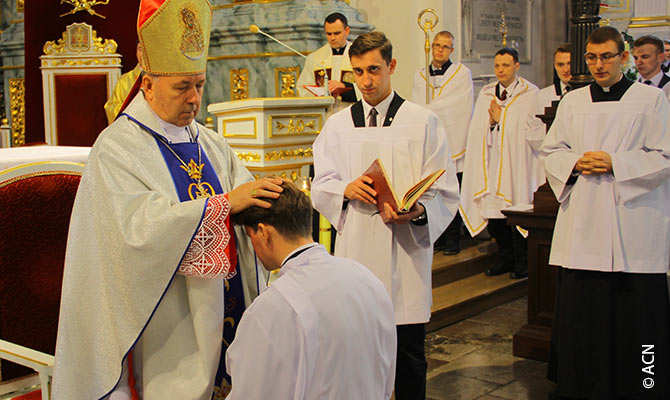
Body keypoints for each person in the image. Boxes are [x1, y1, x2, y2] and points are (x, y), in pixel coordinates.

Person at [52, 0, 284, 398]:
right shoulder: (117, 149)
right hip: (166, 327)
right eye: (181, 87)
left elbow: (243, 194)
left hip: (224, 307)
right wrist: (223, 205)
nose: (194, 99)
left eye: (199, 84)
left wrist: (270, 199)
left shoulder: (210, 143)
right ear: (147, 84)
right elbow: (134, 234)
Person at [311, 31, 460, 400]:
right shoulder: (337, 126)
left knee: (409, 354)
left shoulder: (423, 122)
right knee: (356, 354)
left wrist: (420, 211)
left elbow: (446, 190)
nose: (365, 81)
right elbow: (320, 183)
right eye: (357, 72)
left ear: (391, 66)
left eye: (374, 70)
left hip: (405, 253)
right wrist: (344, 189)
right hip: (357, 251)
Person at [540, 26, 670, 399]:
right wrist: (575, 162)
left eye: (607, 57)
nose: (599, 65)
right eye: (592, 58)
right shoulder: (573, 102)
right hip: (585, 223)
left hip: (632, 222)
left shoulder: (650, 100)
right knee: (585, 316)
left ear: (624, 57)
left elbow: (664, 156)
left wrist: (616, 162)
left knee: (637, 317)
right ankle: (582, 384)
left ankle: (645, 383)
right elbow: (551, 152)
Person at [225, 181, 397, 399]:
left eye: (250, 237)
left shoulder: (273, 307)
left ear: (262, 232)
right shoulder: (368, 279)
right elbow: (387, 375)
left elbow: (254, 392)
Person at [460, 47, 540, 279]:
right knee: (493, 214)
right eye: (497, 66)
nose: (500, 70)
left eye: (505, 65)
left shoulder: (530, 94)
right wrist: (493, 124)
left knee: (514, 212)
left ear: (516, 65)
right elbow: (477, 130)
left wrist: (501, 119)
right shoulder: (486, 93)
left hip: (515, 163)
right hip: (491, 162)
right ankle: (504, 258)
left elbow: (527, 129)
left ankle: (521, 261)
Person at [411, 30, 474, 255]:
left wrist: (429, 111)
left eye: (445, 47)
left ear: (452, 50)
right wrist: (427, 113)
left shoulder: (460, 74)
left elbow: (457, 106)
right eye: (436, 45)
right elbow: (417, 106)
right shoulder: (421, 76)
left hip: (453, 140)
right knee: (430, 191)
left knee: (450, 190)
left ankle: (452, 239)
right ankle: (433, 235)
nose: (439, 50)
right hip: (429, 141)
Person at [296, 12, 359, 111]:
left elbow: (367, 88)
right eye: (329, 34)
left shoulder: (359, 55)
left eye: (337, 33)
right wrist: (321, 96)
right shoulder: (314, 58)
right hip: (324, 115)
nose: (332, 38)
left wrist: (345, 87)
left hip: (350, 112)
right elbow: (302, 89)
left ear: (347, 31)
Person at [525, 43, 572, 154]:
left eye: (570, 64)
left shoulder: (587, 93)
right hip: (551, 156)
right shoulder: (542, 96)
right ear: (555, 66)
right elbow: (530, 132)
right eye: (560, 65)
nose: (566, 69)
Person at [104, 41, 144, 124]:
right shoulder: (124, 80)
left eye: (147, 50)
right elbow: (112, 107)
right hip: (130, 127)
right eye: (140, 49)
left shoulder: (163, 79)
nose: (143, 54)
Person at [633, 35, 670, 100]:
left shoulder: (668, 86)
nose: (638, 62)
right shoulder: (632, 87)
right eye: (636, 58)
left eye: (644, 57)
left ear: (660, 57)